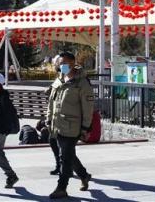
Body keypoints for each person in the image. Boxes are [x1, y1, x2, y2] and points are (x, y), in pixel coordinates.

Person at [46, 51, 93, 199]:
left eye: (64, 63)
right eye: (60, 63)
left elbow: (88, 108)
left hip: (72, 126)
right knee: (68, 155)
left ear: (72, 63)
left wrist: (86, 128)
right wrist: (48, 119)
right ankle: (84, 175)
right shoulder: (59, 79)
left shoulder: (81, 83)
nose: (61, 66)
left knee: (64, 157)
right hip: (57, 124)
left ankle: (62, 188)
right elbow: (51, 102)